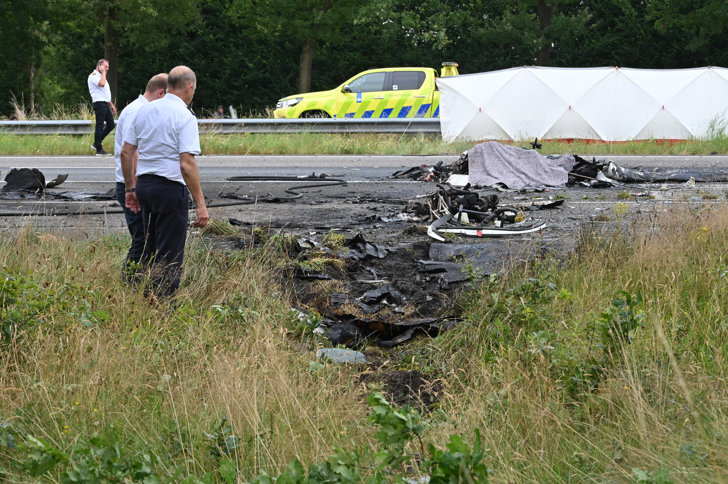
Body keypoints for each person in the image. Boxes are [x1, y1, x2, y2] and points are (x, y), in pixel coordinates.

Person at [121, 65, 209, 298]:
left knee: (151, 246)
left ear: (169, 85)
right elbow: (186, 164)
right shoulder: (185, 116)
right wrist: (200, 204)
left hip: (145, 187)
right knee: (170, 253)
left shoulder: (144, 110)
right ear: (189, 87)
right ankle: (163, 306)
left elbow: (126, 152)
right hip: (170, 189)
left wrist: (130, 188)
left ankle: (144, 294)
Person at [113, 73, 168, 283]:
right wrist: (133, 188)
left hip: (133, 184)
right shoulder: (137, 111)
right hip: (131, 185)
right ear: (161, 93)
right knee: (141, 239)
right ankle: (129, 283)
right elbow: (130, 152)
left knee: (145, 237)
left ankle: (139, 280)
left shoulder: (137, 109)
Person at [87, 59, 117, 156]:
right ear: (99, 66)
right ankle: (99, 149)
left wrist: (111, 105)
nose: (107, 69)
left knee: (111, 124)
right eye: (105, 67)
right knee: (99, 125)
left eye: (108, 67)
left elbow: (105, 93)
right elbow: (101, 84)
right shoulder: (94, 76)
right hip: (99, 103)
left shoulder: (101, 76)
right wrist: (103, 73)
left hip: (105, 103)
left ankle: (96, 143)